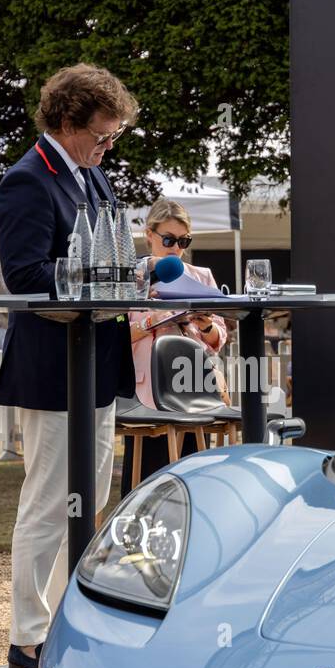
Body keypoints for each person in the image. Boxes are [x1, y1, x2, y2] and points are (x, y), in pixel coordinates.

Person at [0, 63, 138, 668]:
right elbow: (24, 278)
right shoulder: (28, 180)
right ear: (66, 121)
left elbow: (110, 255)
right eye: (101, 136)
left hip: (98, 359)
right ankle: (27, 634)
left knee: (92, 498)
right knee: (50, 502)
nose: (108, 149)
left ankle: (68, 620)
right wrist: (96, 285)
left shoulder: (93, 178)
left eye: (114, 139)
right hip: (54, 364)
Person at [120, 198, 229, 495]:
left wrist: (205, 324)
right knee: (145, 484)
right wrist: (150, 321)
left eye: (183, 241)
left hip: (193, 386)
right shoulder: (129, 277)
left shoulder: (201, 276)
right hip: (147, 392)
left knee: (194, 483)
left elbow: (219, 338)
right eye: (168, 239)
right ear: (149, 235)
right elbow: (114, 336)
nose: (175, 248)